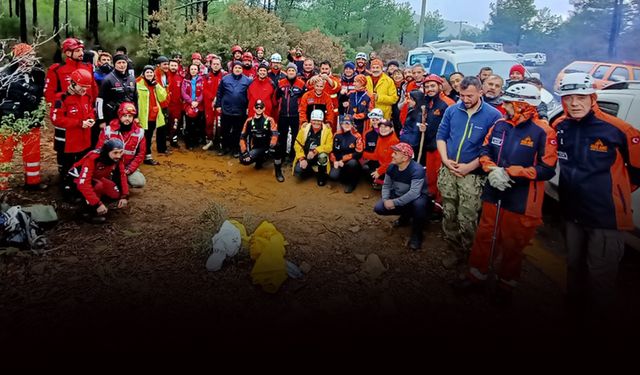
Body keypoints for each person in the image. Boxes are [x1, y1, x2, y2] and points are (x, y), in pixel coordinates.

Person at [453, 83, 557, 304]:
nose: (505, 107)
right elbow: (485, 149)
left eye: (509, 103)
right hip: (493, 188)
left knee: (513, 243)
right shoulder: (500, 125)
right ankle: (476, 275)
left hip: (522, 197)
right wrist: (491, 168)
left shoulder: (544, 132)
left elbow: (547, 169)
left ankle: (506, 284)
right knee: (485, 234)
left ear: (523, 105)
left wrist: (510, 172)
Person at [553, 73, 640, 315]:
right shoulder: (560, 126)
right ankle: (574, 315)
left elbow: (637, 168)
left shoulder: (618, 129)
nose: (574, 103)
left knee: (600, 274)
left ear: (592, 97)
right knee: (573, 266)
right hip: (572, 212)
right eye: (568, 97)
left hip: (606, 217)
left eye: (580, 97)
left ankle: (599, 330)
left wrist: (618, 191)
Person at [436, 76, 503, 267]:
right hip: (449, 170)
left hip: (472, 176)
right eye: (462, 95)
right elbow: (441, 136)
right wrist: (445, 160)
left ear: (480, 92)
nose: (465, 99)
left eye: (470, 96)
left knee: (468, 216)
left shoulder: (493, 115)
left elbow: (490, 148)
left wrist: (469, 167)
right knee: (448, 212)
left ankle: (470, 255)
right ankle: (454, 250)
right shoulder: (452, 110)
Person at [0, 43, 47, 191]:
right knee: (4, 154)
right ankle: (1, 184)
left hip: (31, 120)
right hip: (10, 120)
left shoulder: (37, 74)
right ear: (17, 58)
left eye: (32, 57)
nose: (30, 60)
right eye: (26, 57)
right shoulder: (5, 75)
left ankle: (33, 182)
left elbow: (40, 96)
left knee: (32, 154)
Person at [373, 142, 431, 250]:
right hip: (400, 195)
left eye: (395, 153)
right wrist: (386, 200)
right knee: (379, 207)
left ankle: (417, 234)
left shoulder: (417, 170)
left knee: (419, 205)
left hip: (416, 198)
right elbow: (386, 185)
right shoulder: (391, 167)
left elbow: (414, 193)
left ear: (404, 158)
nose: (392, 155)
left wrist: (394, 202)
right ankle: (406, 216)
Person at [50, 69, 95, 200]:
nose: (84, 90)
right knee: (67, 167)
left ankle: (80, 187)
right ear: (73, 83)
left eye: (87, 87)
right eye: (82, 87)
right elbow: (56, 119)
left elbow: (91, 111)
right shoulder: (61, 98)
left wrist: (91, 119)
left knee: (81, 165)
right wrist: (79, 123)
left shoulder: (86, 97)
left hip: (84, 140)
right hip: (68, 142)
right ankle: (67, 190)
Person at [69, 139, 129, 224]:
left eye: (120, 152)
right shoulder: (93, 158)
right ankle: (86, 212)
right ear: (107, 151)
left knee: (115, 194)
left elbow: (122, 175)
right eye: (115, 152)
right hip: (76, 179)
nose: (118, 156)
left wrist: (124, 196)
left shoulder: (118, 158)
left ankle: (93, 198)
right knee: (98, 186)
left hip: (96, 177)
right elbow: (83, 184)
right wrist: (97, 204)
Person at [420, 74, 455, 212]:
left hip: (442, 147)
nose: (429, 89)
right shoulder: (429, 103)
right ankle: (431, 200)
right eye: (427, 86)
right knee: (431, 175)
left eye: (432, 85)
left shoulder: (448, 104)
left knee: (440, 176)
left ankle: (439, 205)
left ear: (440, 86)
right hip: (430, 145)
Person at [97, 102, 146, 188]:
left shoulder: (140, 133)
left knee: (139, 182)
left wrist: (130, 169)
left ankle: (123, 180)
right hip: (109, 166)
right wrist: (108, 166)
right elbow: (99, 149)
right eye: (124, 116)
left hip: (127, 166)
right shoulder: (108, 130)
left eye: (130, 116)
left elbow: (141, 154)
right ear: (119, 116)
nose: (127, 119)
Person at [96, 53, 137, 146]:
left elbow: (135, 98)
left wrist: (136, 116)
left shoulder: (132, 79)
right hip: (112, 117)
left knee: (127, 140)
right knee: (112, 143)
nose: (122, 65)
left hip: (128, 116)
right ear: (114, 64)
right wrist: (101, 120)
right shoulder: (108, 79)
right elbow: (99, 101)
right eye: (119, 62)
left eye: (124, 62)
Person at [44, 38, 98, 106]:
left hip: (87, 110)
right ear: (68, 53)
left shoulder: (88, 67)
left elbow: (94, 89)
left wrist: (94, 108)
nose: (81, 53)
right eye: (77, 51)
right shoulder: (56, 70)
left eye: (82, 50)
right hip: (68, 111)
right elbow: (49, 94)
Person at [239, 100, 283, 182]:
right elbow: (242, 137)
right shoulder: (249, 121)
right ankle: (260, 160)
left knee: (278, 147)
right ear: (254, 108)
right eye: (257, 107)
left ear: (264, 108)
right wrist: (244, 151)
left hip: (269, 146)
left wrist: (272, 145)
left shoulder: (270, 120)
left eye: (261, 107)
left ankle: (278, 171)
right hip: (257, 148)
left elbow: (275, 134)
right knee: (243, 160)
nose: (259, 109)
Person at [216, 62, 252, 157]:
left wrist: (249, 107)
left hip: (240, 110)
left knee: (238, 131)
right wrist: (218, 105)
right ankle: (224, 148)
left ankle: (236, 149)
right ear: (232, 68)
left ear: (242, 69)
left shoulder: (247, 80)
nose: (237, 69)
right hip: (226, 109)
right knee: (225, 130)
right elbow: (219, 93)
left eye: (240, 68)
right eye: (236, 67)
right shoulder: (225, 79)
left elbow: (250, 96)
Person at [293, 109, 334, 186]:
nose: (316, 123)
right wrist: (301, 158)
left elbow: (329, 147)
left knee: (323, 156)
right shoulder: (304, 129)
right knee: (298, 171)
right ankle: (310, 169)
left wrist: (315, 151)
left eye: (319, 120)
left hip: (318, 157)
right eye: (314, 120)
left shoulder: (327, 131)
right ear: (310, 120)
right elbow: (297, 144)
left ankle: (321, 175)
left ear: (322, 121)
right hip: (306, 156)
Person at [137, 65, 168, 164]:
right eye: (147, 72)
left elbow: (163, 97)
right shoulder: (138, 84)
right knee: (141, 137)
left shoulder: (155, 84)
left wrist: (157, 85)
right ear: (143, 73)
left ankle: (147, 156)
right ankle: (139, 156)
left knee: (149, 136)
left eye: (151, 72)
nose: (149, 74)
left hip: (153, 115)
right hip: (142, 116)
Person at [276, 63, 306, 161]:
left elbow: (304, 99)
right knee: (282, 135)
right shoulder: (281, 83)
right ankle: (282, 154)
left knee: (295, 136)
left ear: (296, 72)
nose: (291, 72)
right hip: (283, 114)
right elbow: (276, 97)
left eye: (293, 70)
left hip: (295, 115)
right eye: (289, 70)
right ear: (287, 72)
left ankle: (293, 155)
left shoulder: (301, 84)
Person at [329, 116, 364, 193]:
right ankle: (344, 177)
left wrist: (343, 159)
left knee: (353, 163)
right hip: (338, 161)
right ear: (341, 124)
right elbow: (331, 150)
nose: (346, 125)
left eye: (348, 123)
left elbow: (359, 153)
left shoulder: (357, 136)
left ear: (352, 124)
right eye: (344, 123)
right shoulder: (336, 134)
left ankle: (352, 183)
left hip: (350, 162)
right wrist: (334, 161)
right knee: (333, 176)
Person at [365, 119, 399, 190]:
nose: (383, 129)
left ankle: (385, 183)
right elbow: (376, 155)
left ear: (391, 128)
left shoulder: (394, 141)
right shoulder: (381, 137)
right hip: (381, 163)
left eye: (386, 127)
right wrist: (362, 154)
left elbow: (391, 162)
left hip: (390, 167)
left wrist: (379, 171)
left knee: (371, 173)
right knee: (365, 168)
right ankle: (380, 181)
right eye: (381, 127)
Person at [202, 56, 226, 151]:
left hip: (220, 103)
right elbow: (204, 90)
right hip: (209, 103)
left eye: (217, 64)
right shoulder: (207, 76)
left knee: (220, 123)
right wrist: (212, 98)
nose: (216, 66)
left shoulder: (225, 76)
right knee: (209, 122)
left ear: (220, 65)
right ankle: (210, 140)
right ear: (211, 65)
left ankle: (219, 142)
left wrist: (217, 98)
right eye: (214, 64)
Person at [181, 64, 205, 150]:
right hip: (188, 105)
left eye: (195, 69)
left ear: (198, 70)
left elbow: (203, 91)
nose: (193, 71)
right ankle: (189, 143)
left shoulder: (202, 80)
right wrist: (191, 101)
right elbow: (183, 93)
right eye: (192, 69)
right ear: (189, 70)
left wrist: (198, 101)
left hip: (199, 105)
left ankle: (196, 141)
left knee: (198, 124)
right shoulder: (185, 80)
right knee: (189, 125)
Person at [316, 60, 341, 129]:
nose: (324, 71)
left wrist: (328, 79)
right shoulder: (316, 78)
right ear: (320, 69)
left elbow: (337, 88)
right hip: (319, 110)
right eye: (323, 69)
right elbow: (309, 87)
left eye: (326, 69)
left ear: (330, 69)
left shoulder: (335, 79)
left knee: (331, 131)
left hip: (332, 111)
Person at [167, 58, 185, 148]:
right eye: (172, 65)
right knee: (166, 123)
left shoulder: (181, 78)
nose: (173, 67)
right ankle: (165, 139)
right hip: (166, 105)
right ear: (169, 66)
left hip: (177, 105)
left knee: (176, 123)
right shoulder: (165, 76)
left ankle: (174, 140)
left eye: (175, 66)